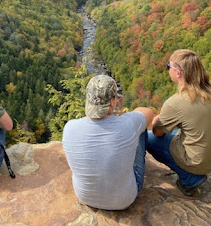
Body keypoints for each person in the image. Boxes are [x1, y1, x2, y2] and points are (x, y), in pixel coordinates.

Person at [62, 75, 154, 210]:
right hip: (124, 200)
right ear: (112, 101)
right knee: (140, 131)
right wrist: (118, 112)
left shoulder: (70, 127)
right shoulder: (127, 124)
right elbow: (148, 112)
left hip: (85, 197)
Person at [147, 49, 211, 196]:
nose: (167, 69)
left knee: (148, 138)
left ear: (178, 73)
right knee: (175, 132)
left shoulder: (175, 102)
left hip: (199, 162)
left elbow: (157, 132)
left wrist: (156, 121)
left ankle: (189, 179)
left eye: (168, 66)